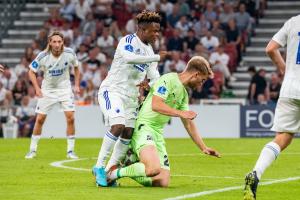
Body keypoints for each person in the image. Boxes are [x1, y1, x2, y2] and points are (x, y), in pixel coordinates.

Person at [106, 56, 220, 187]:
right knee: (153, 169)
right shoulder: (168, 79)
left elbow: (188, 122)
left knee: (162, 182)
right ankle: (112, 174)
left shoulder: (183, 93)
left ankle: (130, 164)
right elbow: (156, 105)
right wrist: (181, 113)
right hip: (144, 127)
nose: (202, 84)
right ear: (196, 74)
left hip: (157, 134)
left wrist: (203, 147)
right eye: (203, 80)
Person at [92, 10, 169, 187]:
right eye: (153, 31)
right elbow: (128, 58)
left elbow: (154, 76)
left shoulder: (149, 51)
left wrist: (155, 89)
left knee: (128, 132)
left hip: (131, 97)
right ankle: (99, 167)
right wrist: (157, 56)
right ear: (142, 30)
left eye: (158, 30)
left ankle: (110, 170)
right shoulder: (127, 41)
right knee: (118, 125)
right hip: (112, 91)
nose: (157, 34)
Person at [244, 15, 300, 200]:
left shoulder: (293, 22)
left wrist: (285, 69)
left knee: (282, 137)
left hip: (289, 88)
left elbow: (270, 48)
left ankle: (256, 173)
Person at [25, 31, 80, 159]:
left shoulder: (70, 53)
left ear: (63, 43)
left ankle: (70, 151)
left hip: (64, 89)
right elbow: (31, 72)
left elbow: (76, 67)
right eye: (54, 42)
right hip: (48, 90)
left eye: (59, 42)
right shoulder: (43, 56)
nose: (57, 44)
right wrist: (37, 88)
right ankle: (32, 150)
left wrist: (76, 84)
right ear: (49, 42)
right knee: (40, 119)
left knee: (71, 118)